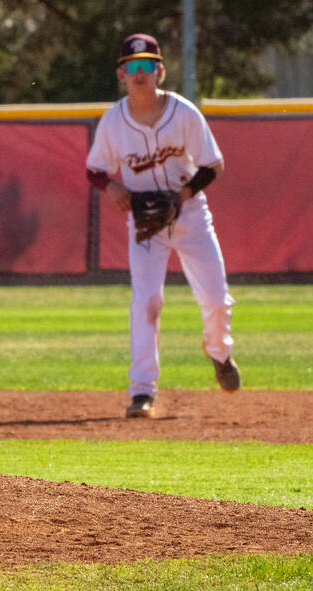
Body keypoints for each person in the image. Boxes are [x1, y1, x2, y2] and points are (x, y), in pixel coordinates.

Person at [85, 33, 239, 419]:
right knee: (147, 302)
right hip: (144, 221)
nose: (139, 73)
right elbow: (94, 169)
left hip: (189, 214)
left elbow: (213, 164)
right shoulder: (113, 121)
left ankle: (219, 353)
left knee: (216, 299)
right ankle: (142, 391)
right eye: (132, 66)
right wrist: (111, 186)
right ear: (121, 74)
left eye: (147, 65)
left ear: (160, 72)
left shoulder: (183, 113)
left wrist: (181, 197)